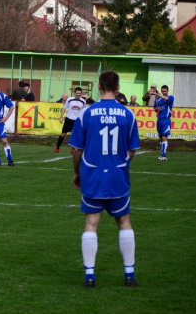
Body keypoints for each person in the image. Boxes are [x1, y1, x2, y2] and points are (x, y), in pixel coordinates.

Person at [69, 70, 140, 288]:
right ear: (118, 89)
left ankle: (90, 275)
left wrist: (77, 173)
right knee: (124, 222)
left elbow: (76, 150)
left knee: (91, 223)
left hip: (92, 175)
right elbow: (132, 150)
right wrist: (120, 165)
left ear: (99, 86)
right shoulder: (128, 114)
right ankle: (129, 274)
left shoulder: (87, 113)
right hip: (118, 176)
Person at [54, 87, 86, 153]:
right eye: (77, 93)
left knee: (75, 135)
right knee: (63, 134)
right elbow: (64, 108)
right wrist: (61, 117)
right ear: (75, 93)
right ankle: (57, 148)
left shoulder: (83, 101)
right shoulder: (69, 99)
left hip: (77, 120)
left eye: (79, 93)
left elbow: (83, 111)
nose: (78, 94)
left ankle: (73, 149)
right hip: (68, 119)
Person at [151, 85, 174, 160]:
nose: (164, 92)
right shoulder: (158, 100)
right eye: (162, 91)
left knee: (164, 137)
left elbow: (166, 98)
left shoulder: (170, 97)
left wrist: (157, 94)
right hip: (159, 120)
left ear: (167, 91)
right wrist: (156, 109)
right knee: (161, 138)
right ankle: (162, 154)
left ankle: (164, 155)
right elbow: (155, 108)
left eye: (165, 91)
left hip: (166, 120)